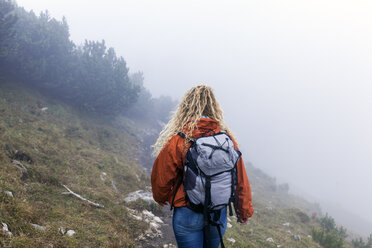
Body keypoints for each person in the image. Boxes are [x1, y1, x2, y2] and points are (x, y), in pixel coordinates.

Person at [151, 84, 254, 248]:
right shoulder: (226, 139)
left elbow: (163, 176)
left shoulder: (180, 140)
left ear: (186, 107)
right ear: (214, 107)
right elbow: (240, 178)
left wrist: (161, 197)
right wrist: (244, 211)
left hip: (187, 212)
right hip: (217, 214)